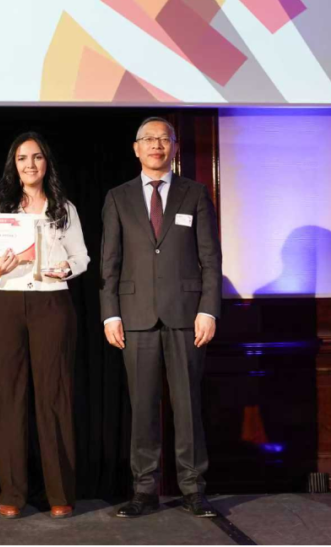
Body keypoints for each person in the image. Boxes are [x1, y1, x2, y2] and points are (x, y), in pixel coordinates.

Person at [100, 117, 221, 519]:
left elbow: (210, 258)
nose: (157, 145)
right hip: (135, 317)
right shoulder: (118, 198)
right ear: (136, 148)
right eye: (149, 139)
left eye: (164, 139)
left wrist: (208, 309)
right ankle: (144, 490)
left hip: (187, 316)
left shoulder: (195, 194)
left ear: (174, 147)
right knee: (142, 408)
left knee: (187, 406)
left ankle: (193, 488)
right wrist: (110, 314)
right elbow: (110, 262)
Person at [0, 132, 89, 520]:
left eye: (37, 157)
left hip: (51, 303)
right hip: (3, 304)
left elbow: (82, 256)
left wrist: (68, 267)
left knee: (54, 397)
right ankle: (11, 493)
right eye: (22, 158)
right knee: (7, 397)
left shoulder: (63, 208)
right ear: (14, 164)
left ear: (46, 162)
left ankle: (60, 493)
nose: (30, 164)